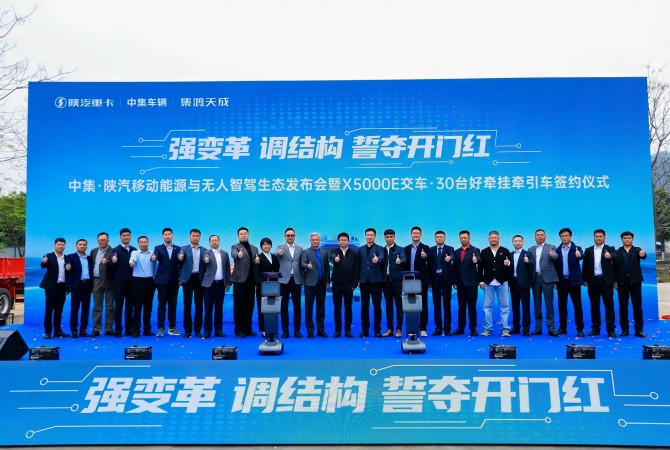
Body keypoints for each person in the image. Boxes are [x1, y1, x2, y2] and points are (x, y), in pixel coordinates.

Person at [582, 229, 618, 338]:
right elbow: (585, 266)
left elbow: (616, 257)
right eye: (596, 236)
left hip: (606, 281)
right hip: (593, 281)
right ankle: (595, 329)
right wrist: (584, 279)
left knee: (609, 306)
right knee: (594, 306)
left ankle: (610, 330)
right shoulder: (588, 250)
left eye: (600, 236)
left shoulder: (610, 249)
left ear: (605, 238)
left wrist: (610, 256)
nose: (598, 238)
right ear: (594, 237)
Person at [478, 231, 512, 337]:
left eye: (495, 237)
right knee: (487, 307)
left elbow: (511, 267)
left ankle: (505, 329)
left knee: (505, 306)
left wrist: (508, 264)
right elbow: (480, 268)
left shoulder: (505, 251)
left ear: (499, 238)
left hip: (503, 282)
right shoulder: (484, 252)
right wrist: (481, 281)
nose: (493, 239)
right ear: (488, 239)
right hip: (488, 282)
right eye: (491, 238)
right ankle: (487, 329)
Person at [553, 228, 585, 337]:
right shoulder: (557, 250)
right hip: (561, 282)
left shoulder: (577, 248)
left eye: (566, 235)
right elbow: (555, 266)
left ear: (570, 236)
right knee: (562, 306)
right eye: (562, 236)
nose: (564, 237)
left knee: (577, 306)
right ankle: (562, 328)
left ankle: (580, 329)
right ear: (560, 237)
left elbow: (582, 255)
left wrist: (579, 255)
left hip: (574, 282)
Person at [527, 229, 559, 336]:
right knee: (537, 305)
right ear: (535, 237)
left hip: (547, 279)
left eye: (542, 235)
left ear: (545, 236)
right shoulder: (530, 249)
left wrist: (552, 255)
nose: (540, 236)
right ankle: (538, 327)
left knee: (549, 304)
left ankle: (551, 328)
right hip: (535, 279)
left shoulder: (551, 247)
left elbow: (556, 256)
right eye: (538, 235)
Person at [615, 231, 647, 337]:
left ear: (632, 239)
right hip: (622, 282)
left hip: (635, 281)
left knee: (637, 306)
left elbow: (643, 255)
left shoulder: (637, 250)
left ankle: (639, 330)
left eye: (629, 238)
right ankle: (625, 330)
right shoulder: (617, 252)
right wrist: (615, 281)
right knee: (623, 307)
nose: (627, 240)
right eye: (625, 238)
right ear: (622, 239)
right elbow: (614, 267)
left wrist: (643, 254)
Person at [329, 232, 360, 338]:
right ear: (338, 241)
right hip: (337, 284)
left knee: (348, 308)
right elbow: (331, 256)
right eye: (341, 240)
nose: (343, 241)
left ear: (348, 241)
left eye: (345, 240)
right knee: (337, 308)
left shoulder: (354, 253)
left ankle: (348, 330)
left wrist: (354, 285)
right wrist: (335, 259)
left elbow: (356, 270)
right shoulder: (334, 251)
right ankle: (337, 330)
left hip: (349, 285)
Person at [153, 227, 183, 337]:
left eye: (169, 234)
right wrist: (154, 257)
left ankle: (172, 328)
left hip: (174, 280)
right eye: (165, 234)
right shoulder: (158, 248)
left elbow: (181, 264)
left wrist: (181, 278)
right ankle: (161, 328)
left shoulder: (178, 249)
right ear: (162, 236)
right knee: (161, 305)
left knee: (173, 305)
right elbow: (155, 256)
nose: (167, 236)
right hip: (162, 281)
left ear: (172, 235)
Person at [403, 226, 432, 337]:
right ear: (411, 235)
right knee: (410, 304)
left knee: (423, 304)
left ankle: (423, 328)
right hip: (408, 281)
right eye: (414, 233)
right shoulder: (406, 249)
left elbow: (429, 258)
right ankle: (411, 327)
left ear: (421, 235)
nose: (416, 235)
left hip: (421, 280)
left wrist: (425, 256)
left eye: (418, 233)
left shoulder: (426, 247)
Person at [39, 238, 70, 339]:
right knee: (49, 310)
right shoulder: (48, 256)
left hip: (62, 286)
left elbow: (69, 271)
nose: (61, 246)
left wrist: (69, 269)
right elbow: (43, 265)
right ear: (54, 245)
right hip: (51, 287)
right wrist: (43, 262)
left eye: (63, 245)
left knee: (59, 311)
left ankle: (58, 331)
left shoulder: (67, 258)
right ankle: (47, 332)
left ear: (65, 246)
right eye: (59, 244)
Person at [231, 227, 259, 338]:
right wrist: (238, 255)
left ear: (248, 235)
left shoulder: (255, 248)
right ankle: (239, 330)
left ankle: (248, 329)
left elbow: (256, 262)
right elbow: (233, 254)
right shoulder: (235, 247)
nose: (243, 235)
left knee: (249, 306)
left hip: (251, 281)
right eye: (241, 234)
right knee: (239, 306)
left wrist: (257, 261)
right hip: (239, 281)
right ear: (238, 236)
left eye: (245, 233)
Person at [179, 228, 207, 338]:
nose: (195, 237)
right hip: (188, 279)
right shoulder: (183, 249)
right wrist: (180, 257)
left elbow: (206, 259)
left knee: (199, 306)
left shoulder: (204, 250)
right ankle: (187, 330)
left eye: (197, 236)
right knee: (187, 305)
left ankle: (197, 330)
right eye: (193, 236)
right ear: (189, 237)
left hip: (199, 279)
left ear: (200, 237)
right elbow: (179, 257)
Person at [300, 233, 329, 338]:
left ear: (319, 241)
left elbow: (326, 268)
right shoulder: (305, 252)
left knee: (321, 308)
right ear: (310, 241)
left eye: (317, 239)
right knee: (309, 308)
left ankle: (320, 330)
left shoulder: (324, 253)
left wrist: (327, 281)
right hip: (309, 284)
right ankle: (310, 331)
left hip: (321, 283)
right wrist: (307, 266)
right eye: (313, 240)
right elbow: (302, 264)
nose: (315, 241)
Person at [202, 235, 231, 338]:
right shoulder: (206, 252)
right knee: (208, 309)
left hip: (221, 285)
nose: (214, 242)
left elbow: (227, 269)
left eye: (216, 240)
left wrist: (228, 283)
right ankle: (207, 331)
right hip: (209, 285)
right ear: (209, 243)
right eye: (212, 241)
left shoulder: (224, 254)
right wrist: (206, 259)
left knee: (219, 309)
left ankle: (218, 331)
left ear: (219, 241)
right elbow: (204, 258)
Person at [452, 230, 481, 336]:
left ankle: (473, 328)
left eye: (465, 238)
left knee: (472, 307)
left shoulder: (475, 250)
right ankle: (461, 328)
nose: (463, 239)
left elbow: (479, 259)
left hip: (472, 283)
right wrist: (455, 281)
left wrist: (476, 260)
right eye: (461, 238)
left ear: (469, 238)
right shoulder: (456, 252)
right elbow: (455, 268)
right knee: (461, 307)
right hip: (460, 284)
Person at [358, 228, 385, 338]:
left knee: (377, 306)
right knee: (364, 306)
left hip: (376, 281)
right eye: (367, 235)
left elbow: (382, 256)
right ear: (365, 236)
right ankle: (365, 330)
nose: (369, 237)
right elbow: (358, 264)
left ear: (375, 236)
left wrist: (378, 259)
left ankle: (377, 330)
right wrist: (358, 279)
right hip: (364, 281)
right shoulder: (360, 249)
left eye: (371, 235)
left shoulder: (380, 248)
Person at [277, 227, 304, 338]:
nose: (290, 237)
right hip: (284, 280)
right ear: (284, 237)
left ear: (295, 236)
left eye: (292, 235)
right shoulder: (280, 248)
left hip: (296, 280)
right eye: (288, 235)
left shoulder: (300, 248)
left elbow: (302, 263)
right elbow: (275, 256)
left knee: (297, 306)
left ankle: (297, 331)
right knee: (284, 307)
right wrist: (278, 253)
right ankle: (285, 331)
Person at [429, 230, 457, 336]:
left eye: (441, 237)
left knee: (446, 305)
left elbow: (453, 256)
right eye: (437, 237)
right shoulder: (431, 250)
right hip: (435, 280)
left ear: (445, 238)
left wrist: (450, 258)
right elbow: (429, 265)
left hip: (446, 280)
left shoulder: (449, 248)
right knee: (436, 305)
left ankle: (447, 329)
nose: (439, 238)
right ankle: (438, 328)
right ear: (435, 238)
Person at [110, 228, 136, 337]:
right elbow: (112, 261)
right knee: (119, 307)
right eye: (124, 235)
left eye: (128, 235)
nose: (126, 237)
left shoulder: (134, 250)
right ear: (120, 237)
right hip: (119, 283)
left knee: (130, 307)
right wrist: (113, 260)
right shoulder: (115, 250)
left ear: (130, 236)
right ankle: (118, 330)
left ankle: (129, 329)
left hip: (132, 282)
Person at [129, 236, 156, 338]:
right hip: (137, 281)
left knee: (148, 307)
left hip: (150, 282)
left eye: (145, 242)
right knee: (137, 307)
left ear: (148, 243)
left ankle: (147, 329)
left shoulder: (153, 253)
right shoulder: (135, 253)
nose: (143, 244)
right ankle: (136, 330)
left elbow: (155, 260)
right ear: (138, 243)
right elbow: (132, 260)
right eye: (141, 242)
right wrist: (131, 263)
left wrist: (154, 259)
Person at [65, 239, 93, 338]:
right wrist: (67, 267)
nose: (82, 246)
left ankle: (83, 330)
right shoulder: (71, 257)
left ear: (86, 246)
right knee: (75, 308)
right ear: (76, 246)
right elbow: (67, 264)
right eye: (80, 244)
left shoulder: (89, 258)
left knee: (86, 309)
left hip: (87, 285)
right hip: (76, 286)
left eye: (84, 244)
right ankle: (74, 330)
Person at [382, 229, 406, 338]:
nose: (389, 238)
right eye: (387, 237)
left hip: (397, 281)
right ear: (384, 238)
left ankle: (399, 329)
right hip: (385, 281)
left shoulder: (400, 249)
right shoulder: (381, 250)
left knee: (399, 305)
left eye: (391, 236)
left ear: (394, 237)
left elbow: (404, 259)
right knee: (388, 305)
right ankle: (390, 329)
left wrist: (400, 261)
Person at [90, 232, 114, 337]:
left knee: (110, 307)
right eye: (100, 240)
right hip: (96, 281)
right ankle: (96, 329)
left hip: (109, 281)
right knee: (97, 306)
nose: (102, 241)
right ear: (97, 241)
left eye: (104, 239)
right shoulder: (93, 251)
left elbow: (115, 265)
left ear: (108, 240)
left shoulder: (113, 251)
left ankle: (109, 328)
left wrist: (107, 262)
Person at [255, 237, 280, 337]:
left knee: (272, 307)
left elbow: (277, 270)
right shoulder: (258, 257)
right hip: (262, 286)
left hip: (273, 286)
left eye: (268, 244)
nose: (266, 246)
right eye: (264, 244)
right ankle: (263, 329)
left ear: (271, 245)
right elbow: (256, 268)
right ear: (261, 246)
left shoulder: (274, 257)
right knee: (262, 307)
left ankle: (272, 327)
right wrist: (256, 262)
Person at [508, 235, 532, 336]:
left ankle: (526, 328)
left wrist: (528, 261)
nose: (517, 243)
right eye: (515, 241)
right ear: (512, 243)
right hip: (513, 283)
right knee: (515, 306)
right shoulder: (509, 254)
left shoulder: (528, 254)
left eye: (519, 241)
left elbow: (532, 264)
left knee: (526, 307)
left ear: (523, 242)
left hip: (524, 284)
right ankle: (516, 327)